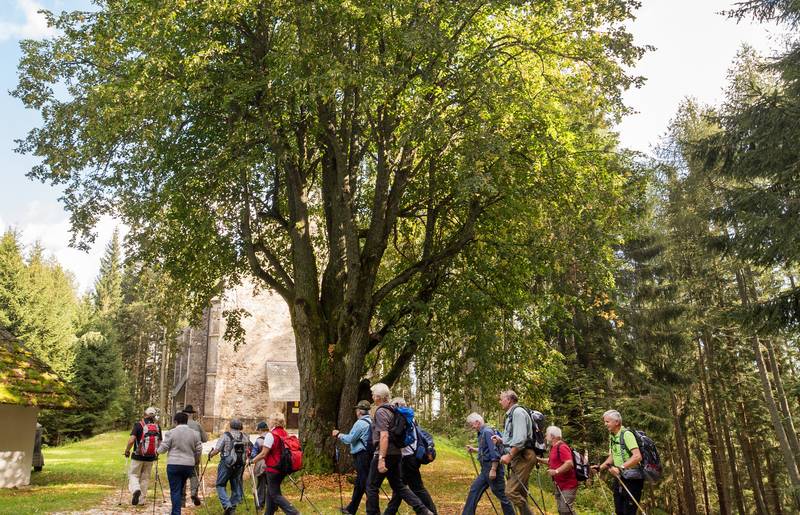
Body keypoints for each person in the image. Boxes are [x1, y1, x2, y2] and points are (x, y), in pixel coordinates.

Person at [365, 383, 434, 515]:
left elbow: (384, 436)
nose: (372, 396)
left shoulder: (381, 411)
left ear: (378, 397)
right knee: (399, 486)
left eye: (373, 394)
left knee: (371, 486)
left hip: (385, 452)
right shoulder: (393, 409)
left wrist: (381, 459)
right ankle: (423, 510)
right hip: (397, 454)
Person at [383, 398, 437, 515]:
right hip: (410, 458)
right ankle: (389, 512)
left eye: (393, 406)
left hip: (407, 459)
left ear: (397, 405)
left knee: (415, 488)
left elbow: (397, 436)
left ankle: (430, 512)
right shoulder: (410, 418)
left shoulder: (402, 418)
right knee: (400, 488)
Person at [491, 390, 536, 515]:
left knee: (510, 492)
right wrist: (501, 441)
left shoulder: (518, 413)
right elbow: (515, 438)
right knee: (521, 492)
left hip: (523, 456)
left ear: (509, 400)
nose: (500, 402)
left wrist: (510, 455)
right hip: (520, 456)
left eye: (501, 399)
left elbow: (520, 439)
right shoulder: (512, 415)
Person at [462, 413, 515, 515]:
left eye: (472, 424)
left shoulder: (487, 432)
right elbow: (485, 450)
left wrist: (493, 469)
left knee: (502, 496)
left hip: (492, 469)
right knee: (474, 490)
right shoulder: (483, 433)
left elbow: (494, 451)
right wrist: (474, 449)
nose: (472, 427)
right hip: (485, 470)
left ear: (477, 422)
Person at [251, 412, 300, 515]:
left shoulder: (271, 435)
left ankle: (293, 512)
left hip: (273, 469)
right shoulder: (285, 433)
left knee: (275, 494)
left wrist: (251, 461)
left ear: (273, 422)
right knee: (271, 493)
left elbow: (264, 453)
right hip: (282, 468)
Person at [597, 410, 643, 515]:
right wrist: (600, 468)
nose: (605, 424)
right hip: (619, 477)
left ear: (616, 422)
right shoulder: (612, 436)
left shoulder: (627, 435)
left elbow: (637, 456)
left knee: (629, 512)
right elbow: (613, 456)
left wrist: (620, 467)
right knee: (619, 511)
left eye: (607, 421)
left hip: (632, 479)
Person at [332, 400, 373, 515]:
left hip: (362, 456)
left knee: (365, 484)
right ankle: (351, 509)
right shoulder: (371, 421)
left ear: (360, 411)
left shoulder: (360, 423)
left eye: (356, 409)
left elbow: (350, 439)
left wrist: (338, 434)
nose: (356, 411)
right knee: (360, 484)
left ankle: (373, 510)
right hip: (368, 455)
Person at [157, 412, 202, 515]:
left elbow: (164, 448)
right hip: (188, 465)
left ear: (176, 422)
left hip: (174, 464)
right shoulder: (195, 433)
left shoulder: (171, 432)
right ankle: (175, 511)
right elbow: (199, 449)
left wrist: (157, 452)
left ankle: (176, 512)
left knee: (175, 490)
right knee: (179, 488)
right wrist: (195, 460)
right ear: (186, 421)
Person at [208, 419, 250, 515]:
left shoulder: (226, 436)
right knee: (235, 486)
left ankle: (227, 505)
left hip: (226, 464)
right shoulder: (245, 437)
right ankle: (232, 508)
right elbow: (247, 451)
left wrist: (211, 454)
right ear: (240, 427)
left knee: (220, 484)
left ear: (230, 426)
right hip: (239, 464)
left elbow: (217, 449)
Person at [124, 406, 162, 505]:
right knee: (145, 478)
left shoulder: (138, 425)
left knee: (133, 475)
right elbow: (160, 442)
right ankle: (141, 501)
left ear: (145, 414)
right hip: (150, 457)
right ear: (153, 416)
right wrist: (156, 453)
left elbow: (132, 440)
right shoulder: (157, 427)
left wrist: (127, 450)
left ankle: (136, 490)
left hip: (137, 456)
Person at [536, 426, 577, 515]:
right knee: (561, 510)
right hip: (559, 484)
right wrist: (539, 460)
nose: (545, 436)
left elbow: (569, 463)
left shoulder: (562, 447)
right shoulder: (554, 447)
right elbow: (551, 461)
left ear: (552, 436)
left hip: (568, 484)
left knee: (565, 510)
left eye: (547, 434)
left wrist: (556, 471)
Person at [182, 405, 207, 507]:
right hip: (195, 453)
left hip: (183, 453)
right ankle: (193, 493)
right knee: (194, 474)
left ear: (184, 414)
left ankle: (182, 500)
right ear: (192, 414)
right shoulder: (197, 425)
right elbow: (205, 439)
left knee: (182, 476)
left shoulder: (180, 424)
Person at [251, 421, 269, 510]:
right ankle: (274, 505)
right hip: (272, 466)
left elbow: (253, 455)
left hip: (261, 466)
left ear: (261, 430)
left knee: (261, 486)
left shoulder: (259, 440)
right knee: (271, 486)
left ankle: (260, 505)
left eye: (258, 430)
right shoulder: (272, 438)